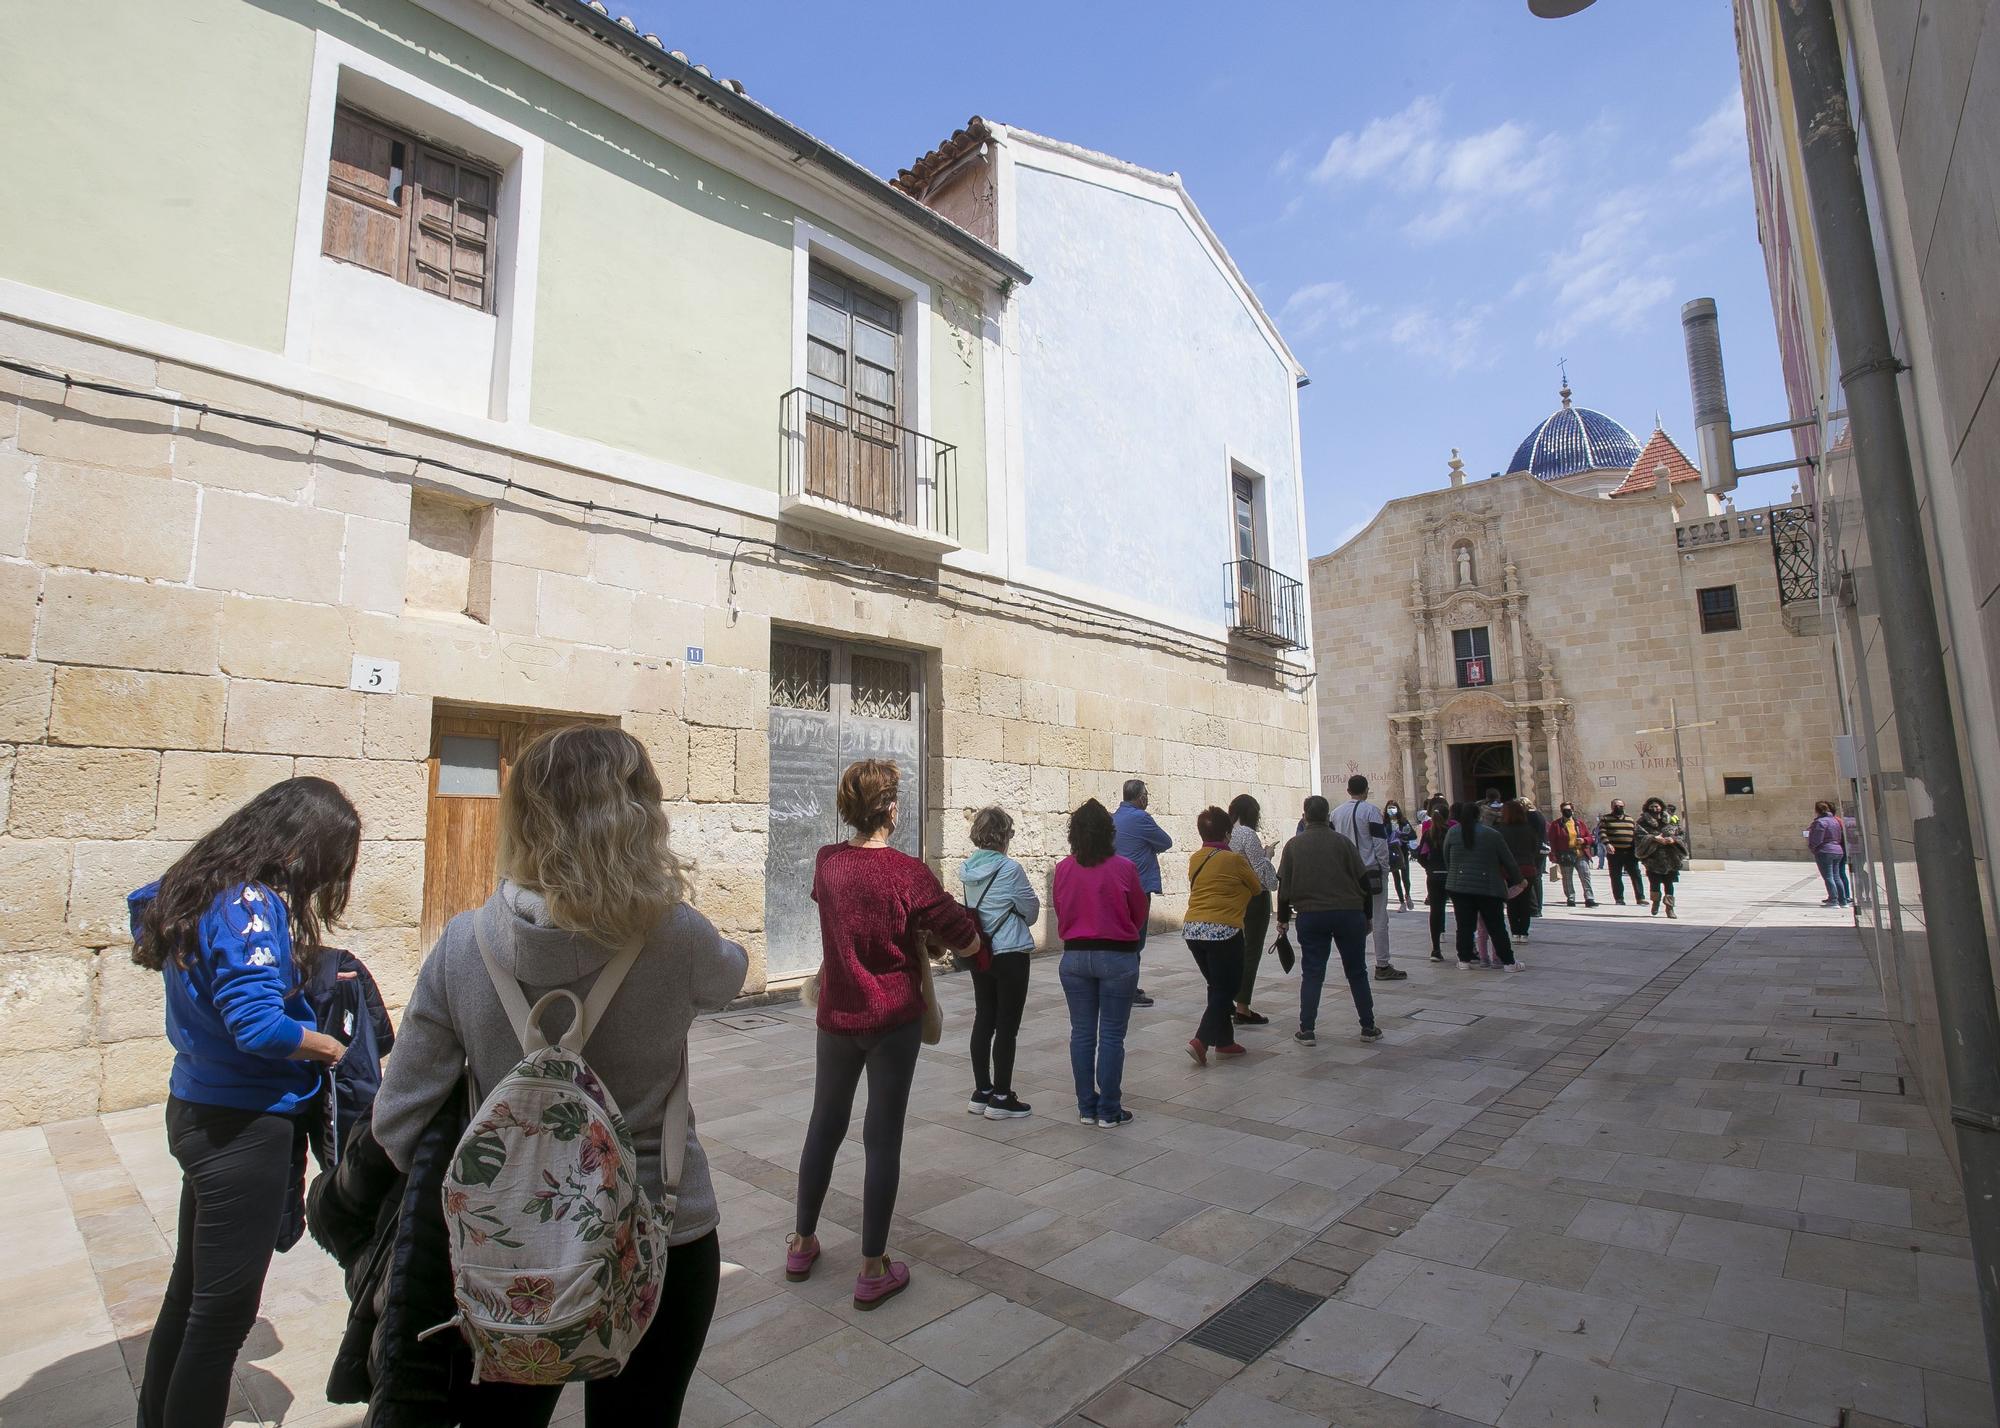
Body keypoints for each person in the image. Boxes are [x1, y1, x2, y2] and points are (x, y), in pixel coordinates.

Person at [372, 726, 748, 1423]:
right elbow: (731, 977)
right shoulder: (677, 935)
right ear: (640, 813)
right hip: (662, 1233)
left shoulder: (463, 946)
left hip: (510, 1257)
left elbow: (397, 1124)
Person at [128, 777, 361, 1428]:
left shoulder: (199, 886)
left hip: (199, 1108)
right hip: (243, 1130)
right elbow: (258, 1027)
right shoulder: (252, 906)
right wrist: (330, 1047)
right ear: (299, 850)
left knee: (190, 1295)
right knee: (223, 1320)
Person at [784, 758, 980, 1308]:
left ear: (849, 810)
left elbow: (839, 912)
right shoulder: (908, 872)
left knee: (824, 1123)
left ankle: (802, 1242)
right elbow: (964, 937)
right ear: (891, 809)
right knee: (882, 1137)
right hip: (893, 1018)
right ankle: (872, 1268)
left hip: (838, 1015)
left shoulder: (827, 863)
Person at [1052, 799, 1150, 1127]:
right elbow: (1139, 913)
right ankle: (1109, 1108)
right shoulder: (1124, 868)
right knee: (1111, 1035)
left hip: (1075, 955)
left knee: (1081, 1033)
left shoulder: (1064, 868)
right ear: (1110, 832)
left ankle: (1086, 1106)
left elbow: (1061, 908)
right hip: (1117, 956)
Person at [1277, 795, 1382, 1045]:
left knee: (1313, 972)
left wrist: (1282, 920)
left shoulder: (1293, 846)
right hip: (1349, 913)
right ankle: (1368, 1027)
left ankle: (1307, 1029)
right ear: (1327, 816)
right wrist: (1367, 916)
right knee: (1357, 971)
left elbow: (1284, 889)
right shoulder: (1343, 843)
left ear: (1305, 815)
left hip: (1311, 915)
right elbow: (1363, 882)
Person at [961, 806, 1040, 1119]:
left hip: (981, 951)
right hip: (1010, 952)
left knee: (984, 1018)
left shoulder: (967, 868)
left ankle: (982, 1090)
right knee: (1007, 1026)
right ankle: (1003, 1096)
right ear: (1003, 836)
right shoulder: (1010, 869)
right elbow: (1031, 910)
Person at [1182, 807, 1266, 1064]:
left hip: (1193, 930)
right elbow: (1256, 888)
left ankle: (1225, 1041)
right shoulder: (1234, 860)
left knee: (1216, 986)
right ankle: (1201, 1040)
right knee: (1228, 987)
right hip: (1224, 930)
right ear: (1228, 833)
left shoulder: (1196, 858)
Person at [1333, 775, 1405, 980]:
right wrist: (1384, 869)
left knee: (1350, 918)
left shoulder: (1336, 813)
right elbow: (1380, 843)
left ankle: (1352, 960)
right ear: (1366, 790)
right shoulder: (1371, 811)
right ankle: (1382, 964)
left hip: (1347, 873)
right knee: (1379, 917)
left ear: (1348, 791)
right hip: (1370, 870)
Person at [1112, 779, 1173, 1008]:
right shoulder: (1141, 818)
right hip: (1138, 888)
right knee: (1136, 940)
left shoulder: (1114, 817)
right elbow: (1166, 841)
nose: (1147, 798)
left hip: (1117, 888)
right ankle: (1129, 989)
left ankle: (1123, 984)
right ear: (1140, 798)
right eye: (1146, 794)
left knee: (1122, 938)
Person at [1445, 799, 1524, 970]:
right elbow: (1508, 861)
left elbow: (1447, 857)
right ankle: (1508, 961)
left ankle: (1464, 960)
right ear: (1479, 815)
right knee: (1496, 926)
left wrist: (1455, 873)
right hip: (1488, 887)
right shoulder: (1492, 834)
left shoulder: (1453, 832)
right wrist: (1519, 879)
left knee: (1464, 926)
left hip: (1459, 887)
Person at [1227, 794, 1280, 1026]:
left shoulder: (1227, 834)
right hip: (1254, 897)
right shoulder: (1248, 834)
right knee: (1251, 951)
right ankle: (1243, 1006)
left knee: (1233, 950)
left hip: (1232, 897)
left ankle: (1229, 998)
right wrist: (1268, 855)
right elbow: (1263, 875)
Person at [1634, 796, 1690, 918]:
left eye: (1657, 806)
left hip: (1671, 858)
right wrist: (1653, 838)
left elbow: (1681, 834)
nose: (1655, 808)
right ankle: (1656, 902)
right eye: (1652, 806)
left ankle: (1669, 908)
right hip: (1653, 858)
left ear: (1661, 807)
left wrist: (1673, 840)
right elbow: (1638, 837)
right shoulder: (1642, 822)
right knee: (1654, 884)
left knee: (1669, 884)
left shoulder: (1670, 820)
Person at [1414, 796, 1454, 960]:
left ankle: (1436, 949)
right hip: (1451, 875)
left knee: (1436, 911)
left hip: (1434, 876)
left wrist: (1429, 868)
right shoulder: (1453, 830)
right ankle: (1467, 948)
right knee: (1460, 910)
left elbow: (1421, 854)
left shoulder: (1429, 832)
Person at [1497, 799, 1544, 942]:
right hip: (1527, 869)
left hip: (1508, 870)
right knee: (1525, 901)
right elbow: (1535, 849)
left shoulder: (1501, 830)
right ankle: (1524, 932)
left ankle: (1515, 932)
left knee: (1511, 901)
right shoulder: (1529, 829)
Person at [1548, 801, 1599, 908]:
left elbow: (1589, 837)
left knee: (1585, 876)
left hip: (1580, 854)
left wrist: (1584, 840)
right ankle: (1571, 898)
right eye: (1565, 810)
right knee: (1567, 878)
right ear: (1561, 811)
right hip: (1565, 855)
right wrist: (1553, 856)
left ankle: (1589, 898)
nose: (1567, 812)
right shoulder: (1556, 825)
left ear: (1573, 810)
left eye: (1569, 810)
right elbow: (1552, 840)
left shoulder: (1579, 824)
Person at [1807, 800, 1851, 908]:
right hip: (1838, 850)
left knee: (1828, 877)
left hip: (1825, 851)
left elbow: (1817, 839)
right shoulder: (1835, 821)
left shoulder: (1820, 822)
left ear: (1817, 810)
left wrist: (1812, 847)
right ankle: (1843, 900)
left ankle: (1833, 900)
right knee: (1837, 876)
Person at [1599, 799, 1642, 905]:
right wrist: (1607, 844)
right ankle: (1619, 898)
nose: (1618, 808)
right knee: (1615, 876)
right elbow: (1602, 832)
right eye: (1616, 806)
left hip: (1629, 852)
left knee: (1636, 874)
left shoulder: (1630, 819)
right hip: (1615, 852)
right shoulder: (1605, 818)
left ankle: (1640, 897)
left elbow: (1635, 833)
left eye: (1620, 806)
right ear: (1612, 807)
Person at [1384, 800, 1417, 911]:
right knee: (1396, 877)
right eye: (1389, 808)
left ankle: (1407, 895)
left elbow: (1412, 835)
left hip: (1402, 850)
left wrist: (1404, 837)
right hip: (1392, 851)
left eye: (1393, 808)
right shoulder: (1385, 823)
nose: (1391, 810)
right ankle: (1402, 902)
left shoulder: (1403, 822)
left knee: (1405, 876)